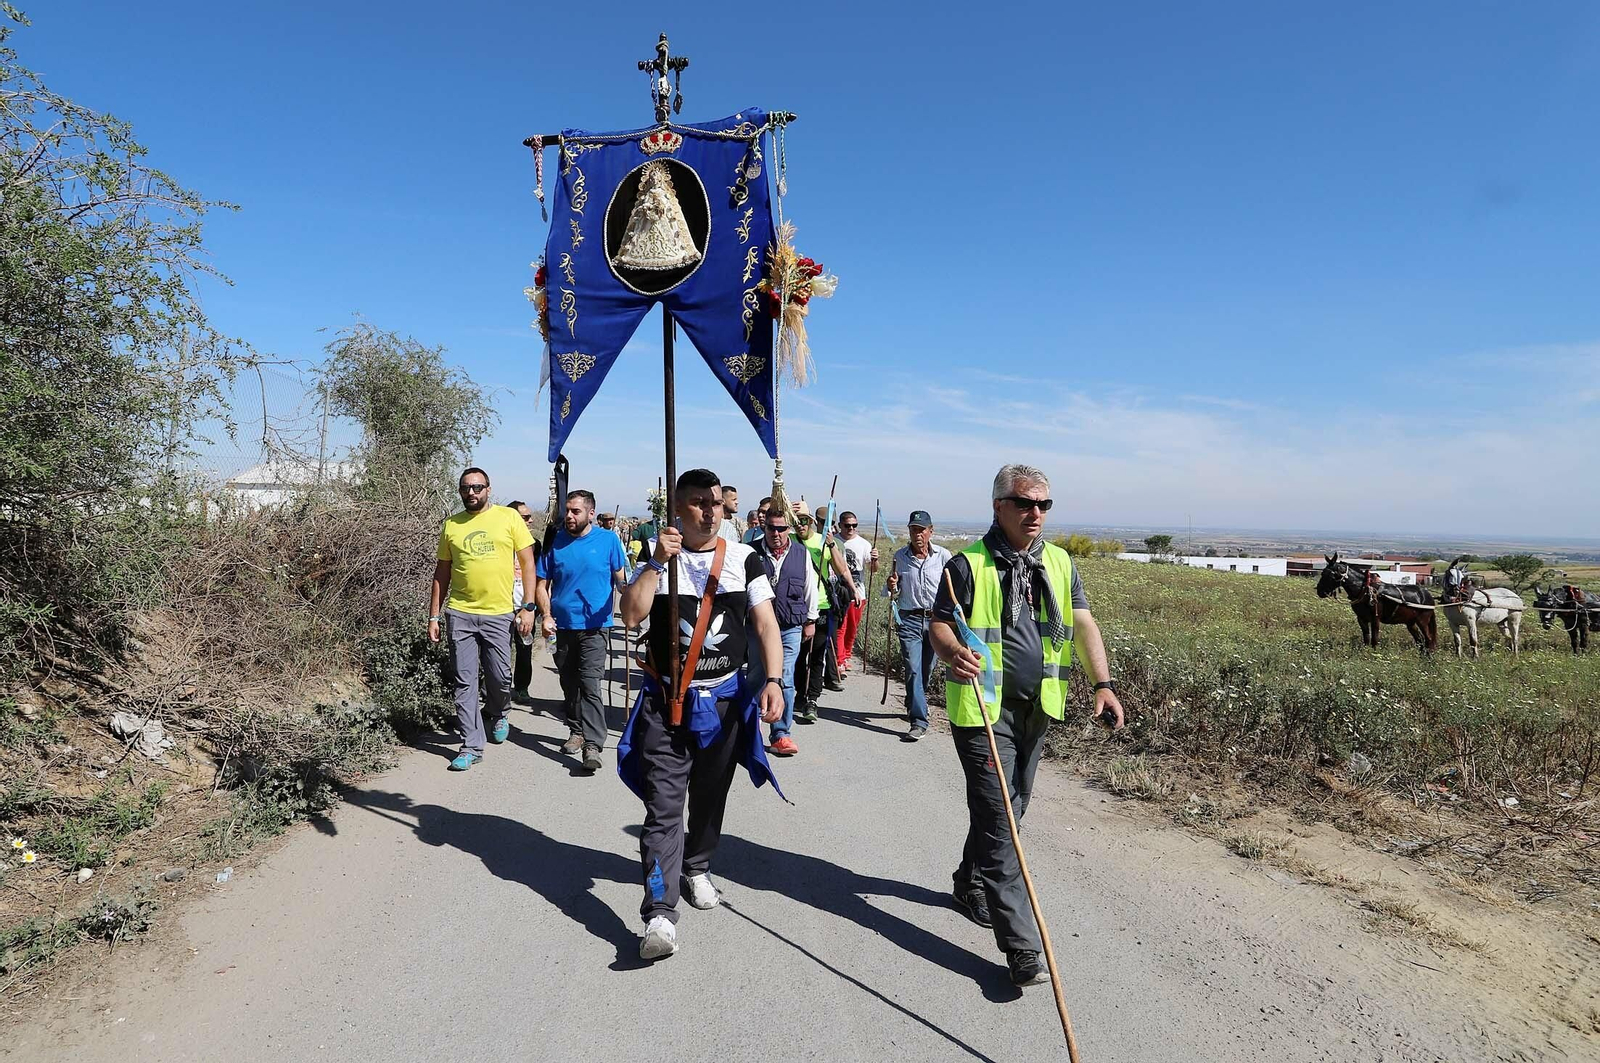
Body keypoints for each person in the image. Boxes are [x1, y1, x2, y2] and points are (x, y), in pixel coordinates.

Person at [930, 463, 1125, 988]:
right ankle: (1022, 947)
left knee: (1011, 806)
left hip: (1039, 708)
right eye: (1024, 503)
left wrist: (1102, 684)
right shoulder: (965, 564)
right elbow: (940, 624)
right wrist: (952, 653)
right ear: (999, 507)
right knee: (1001, 822)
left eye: (1044, 505)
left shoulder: (1059, 563)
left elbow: (1082, 622)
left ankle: (968, 882)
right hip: (983, 711)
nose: (1035, 513)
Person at [617, 468, 786, 961]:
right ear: (677, 506)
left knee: (711, 798)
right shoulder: (657, 555)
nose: (709, 510)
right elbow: (630, 616)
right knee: (663, 808)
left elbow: (765, 624)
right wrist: (653, 565)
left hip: (726, 705)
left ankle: (696, 866)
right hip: (665, 704)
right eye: (696, 502)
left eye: (714, 501)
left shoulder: (743, 559)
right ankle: (660, 914)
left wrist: (774, 680)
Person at [429, 468, 538, 771]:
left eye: (477, 487)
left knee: (500, 677)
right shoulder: (451, 525)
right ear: (460, 491)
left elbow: (529, 563)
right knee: (464, 681)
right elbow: (442, 573)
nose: (471, 493)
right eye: (465, 488)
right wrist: (434, 615)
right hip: (460, 613)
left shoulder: (509, 518)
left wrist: (528, 606)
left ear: (489, 489)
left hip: (498, 613)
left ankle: (500, 711)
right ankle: (471, 745)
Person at [534, 490, 630, 773]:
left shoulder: (608, 540)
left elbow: (621, 579)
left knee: (590, 683)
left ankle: (592, 744)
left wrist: (630, 594)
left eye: (576, 511)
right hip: (561, 627)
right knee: (569, 682)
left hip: (595, 627)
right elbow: (542, 584)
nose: (570, 517)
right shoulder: (556, 541)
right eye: (568, 511)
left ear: (591, 513)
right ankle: (576, 730)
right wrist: (546, 615)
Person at [748, 506, 818, 756]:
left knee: (783, 678)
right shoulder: (751, 552)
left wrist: (811, 619)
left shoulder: (801, 553)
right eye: (771, 528)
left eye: (781, 528)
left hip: (790, 626)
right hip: (757, 626)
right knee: (756, 677)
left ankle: (781, 734)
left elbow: (810, 586)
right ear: (763, 527)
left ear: (788, 528)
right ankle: (750, 730)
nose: (776, 533)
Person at [886, 510, 951, 741]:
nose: (917, 534)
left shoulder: (943, 556)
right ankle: (919, 721)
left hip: (936, 621)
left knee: (926, 670)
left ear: (930, 531)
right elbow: (892, 592)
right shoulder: (900, 556)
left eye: (921, 529)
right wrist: (891, 584)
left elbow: (951, 588)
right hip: (910, 619)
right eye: (913, 529)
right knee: (912, 668)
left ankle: (913, 701)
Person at [791, 500, 858, 724]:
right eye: (796, 522)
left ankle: (812, 699)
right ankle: (800, 693)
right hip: (795, 607)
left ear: (810, 522)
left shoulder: (823, 541)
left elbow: (841, 568)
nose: (800, 525)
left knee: (817, 655)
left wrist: (853, 588)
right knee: (798, 656)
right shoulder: (789, 540)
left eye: (803, 521)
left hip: (821, 605)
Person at [833, 510, 878, 674]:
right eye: (847, 525)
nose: (851, 528)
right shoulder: (834, 541)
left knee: (852, 628)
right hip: (838, 593)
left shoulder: (864, 544)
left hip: (858, 593)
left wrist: (875, 560)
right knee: (840, 628)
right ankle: (839, 660)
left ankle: (846, 656)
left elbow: (873, 570)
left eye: (854, 525)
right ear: (840, 526)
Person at [508, 500, 539, 704]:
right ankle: (491, 689)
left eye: (529, 516)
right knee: (496, 651)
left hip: (525, 605)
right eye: (525, 517)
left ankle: (521, 688)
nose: (530, 520)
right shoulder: (500, 542)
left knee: (524, 648)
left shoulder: (535, 545)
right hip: (501, 604)